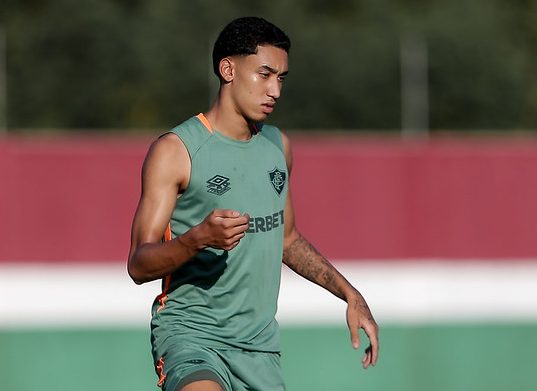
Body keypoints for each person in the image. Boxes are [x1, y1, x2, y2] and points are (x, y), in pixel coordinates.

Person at [128, 16, 379, 391]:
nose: (275, 90)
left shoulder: (278, 147)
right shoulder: (176, 151)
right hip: (192, 338)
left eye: (281, 78)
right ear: (227, 69)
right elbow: (138, 263)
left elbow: (288, 240)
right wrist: (197, 238)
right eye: (264, 74)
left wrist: (349, 293)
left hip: (260, 351)